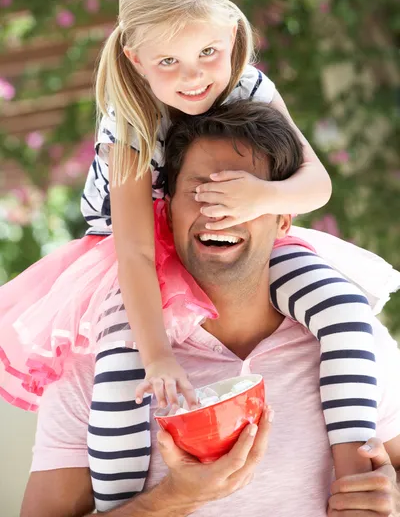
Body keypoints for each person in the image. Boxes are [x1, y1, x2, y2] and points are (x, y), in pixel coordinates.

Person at [0, 0, 399, 502]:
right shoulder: (129, 121)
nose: (194, 77)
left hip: (242, 222)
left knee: (343, 308)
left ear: (233, 36)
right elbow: (135, 252)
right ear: (136, 59)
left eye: (208, 51)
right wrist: (159, 355)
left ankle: (357, 471)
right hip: (140, 252)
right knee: (123, 364)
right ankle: (121, 499)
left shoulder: (251, 86)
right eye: (169, 63)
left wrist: (262, 194)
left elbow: (317, 184)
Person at [21, 102, 400, 517]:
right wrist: (172, 499)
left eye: (245, 195)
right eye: (200, 191)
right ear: (166, 211)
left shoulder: (355, 342)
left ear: (283, 219)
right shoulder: (94, 363)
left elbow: (390, 471)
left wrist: (390, 498)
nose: (218, 213)